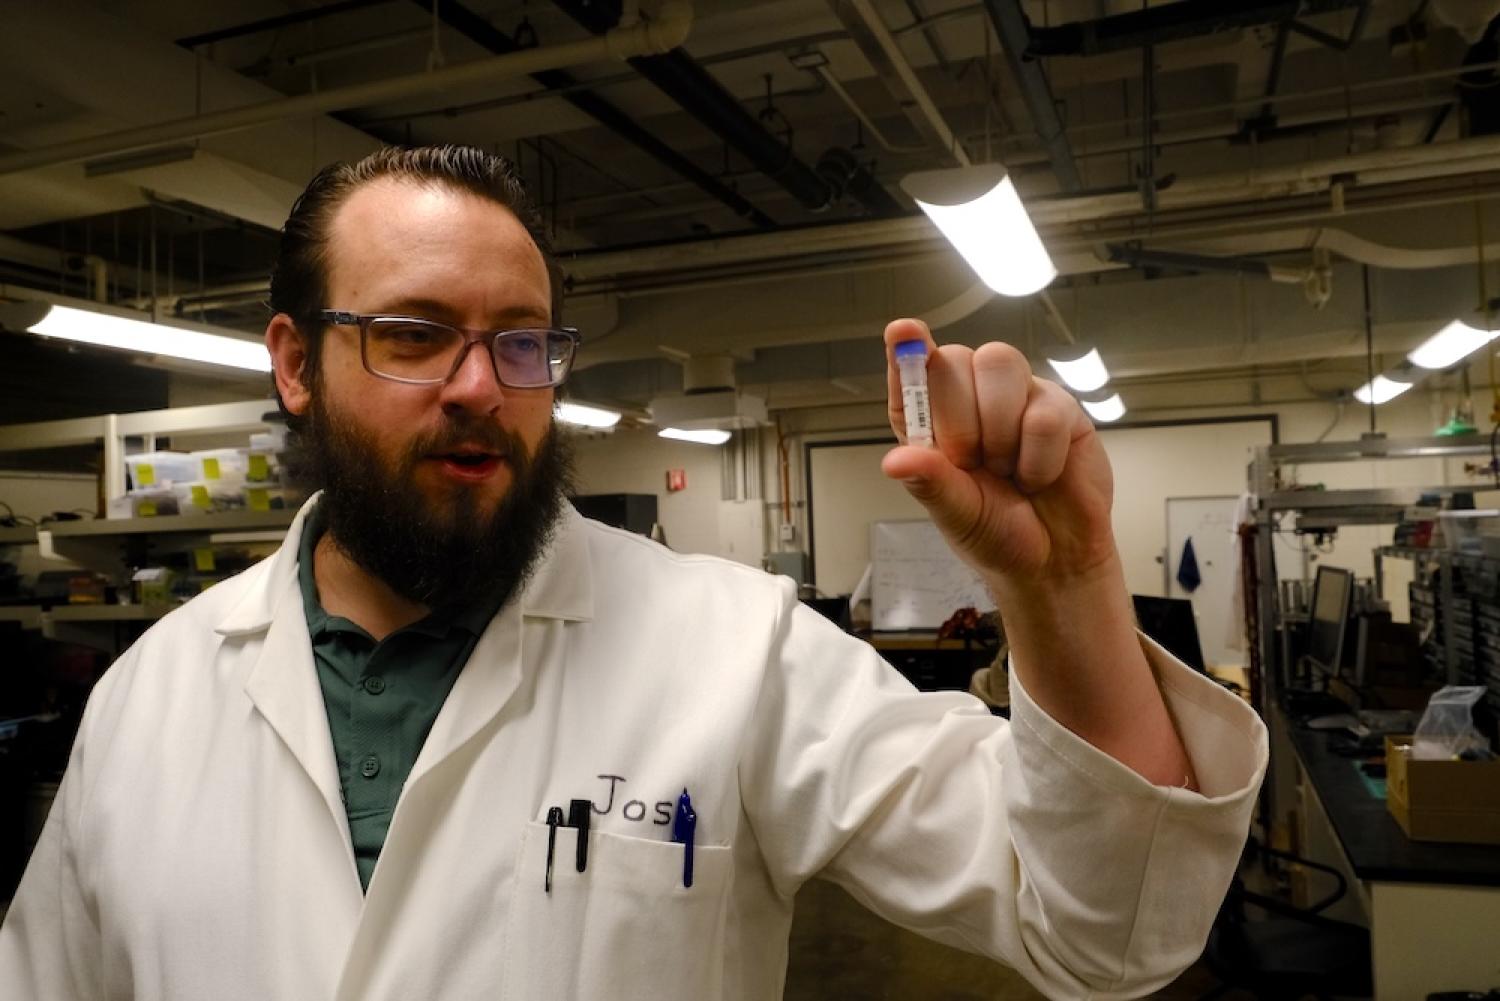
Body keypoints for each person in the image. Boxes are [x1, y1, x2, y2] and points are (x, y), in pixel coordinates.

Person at [0, 146, 1267, 1001]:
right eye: (415, 335)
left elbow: (1098, 926)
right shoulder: (150, 699)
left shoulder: (736, 651)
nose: (481, 387)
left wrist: (1068, 582)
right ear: (293, 364)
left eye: (520, 344)